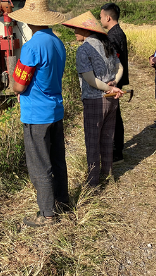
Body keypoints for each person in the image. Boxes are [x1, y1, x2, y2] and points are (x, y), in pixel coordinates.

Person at [8, 0, 69, 227]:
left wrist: (13, 84)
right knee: (57, 160)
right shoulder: (57, 42)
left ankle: (47, 215)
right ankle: (63, 203)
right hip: (56, 110)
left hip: (37, 114)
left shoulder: (31, 47)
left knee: (39, 165)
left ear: (28, 20)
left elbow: (20, 85)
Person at [62, 11, 124, 187]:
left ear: (85, 31)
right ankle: (107, 173)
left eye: (76, 30)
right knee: (107, 137)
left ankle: (93, 182)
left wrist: (108, 87)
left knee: (92, 141)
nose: (74, 33)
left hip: (94, 99)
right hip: (112, 99)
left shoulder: (84, 49)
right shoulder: (107, 45)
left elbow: (89, 79)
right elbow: (120, 68)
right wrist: (114, 84)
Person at [100, 3, 129, 162]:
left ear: (108, 17)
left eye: (101, 16)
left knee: (113, 116)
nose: (100, 19)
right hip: (116, 80)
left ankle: (117, 151)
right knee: (114, 114)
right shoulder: (118, 33)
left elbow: (113, 61)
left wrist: (111, 82)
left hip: (114, 81)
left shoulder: (113, 36)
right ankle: (117, 149)